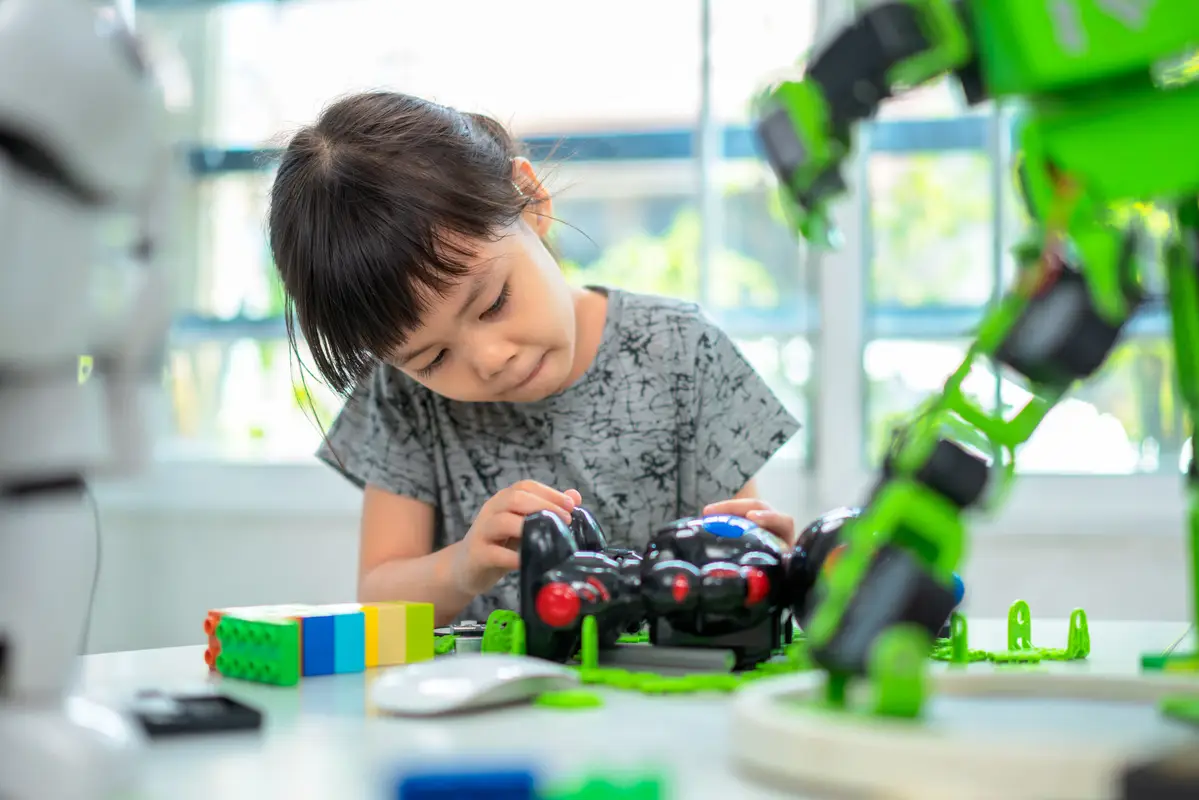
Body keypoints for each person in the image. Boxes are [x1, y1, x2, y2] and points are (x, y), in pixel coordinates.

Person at [267, 91, 802, 626]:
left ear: (530, 200)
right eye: (433, 358)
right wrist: (464, 565)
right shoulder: (402, 394)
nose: (490, 359)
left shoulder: (682, 352)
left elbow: (740, 554)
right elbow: (379, 598)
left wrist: (765, 558)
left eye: (494, 303)